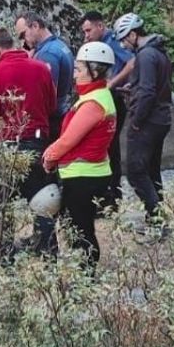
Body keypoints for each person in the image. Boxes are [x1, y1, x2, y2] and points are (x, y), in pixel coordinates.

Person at [0, 27, 58, 257]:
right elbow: (51, 106)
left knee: (4, 201)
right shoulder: (41, 69)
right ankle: (47, 251)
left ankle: (5, 253)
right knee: (43, 199)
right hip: (37, 141)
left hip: (5, 144)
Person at [42, 42, 119, 268]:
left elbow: (69, 139)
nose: (74, 75)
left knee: (80, 228)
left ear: (94, 71)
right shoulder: (98, 95)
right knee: (79, 225)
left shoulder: (93, 102)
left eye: (78, 69)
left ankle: (87, 274)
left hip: (83, 175)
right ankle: (85, 270)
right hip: (91, 172)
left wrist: (49, 157)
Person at [114, 13, 173, 226]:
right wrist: (134, 86)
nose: (123, 44)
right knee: (151, 170)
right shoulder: (159, 52)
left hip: (148, 120)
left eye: (123, 38)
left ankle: (157, 219)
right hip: (162, 117)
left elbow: (148, 91)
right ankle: (156, 219)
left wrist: (137, 120)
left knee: (136, 172)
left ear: (133, 34)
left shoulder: (146, 55)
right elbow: (157, 84)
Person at [80, 11, 135, 207]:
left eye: (88, 30)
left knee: (110, 148)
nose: (86, 35)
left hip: (115, 97)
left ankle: (113, 195)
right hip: (110, 96)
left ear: (100, 26)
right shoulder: (100, 45)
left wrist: (112, 83)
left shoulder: (112, 42)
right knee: (106, 147)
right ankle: (108, 194)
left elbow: (131, 62)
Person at [15, 12, 75, 139]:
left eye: (23, 34)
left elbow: (45, 93)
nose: (23, 41)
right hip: (63, 110)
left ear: (35, 26)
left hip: (52, 120)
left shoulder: (47, 54)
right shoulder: (60, 45)